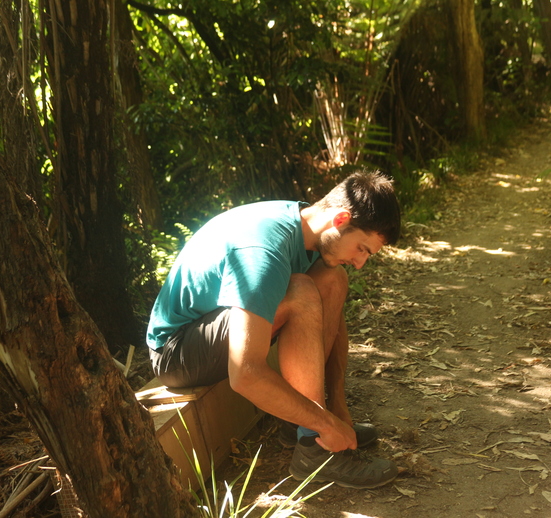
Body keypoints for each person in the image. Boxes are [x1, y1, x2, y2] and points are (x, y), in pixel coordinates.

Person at [146, 171, 401, 489]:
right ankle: (312, 446)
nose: (361, 261)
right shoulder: (264, 251)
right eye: (362, 248)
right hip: (176, 351)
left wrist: (337, 407)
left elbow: (328, 318)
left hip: (215, 325)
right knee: (301, 292)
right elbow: (245, 373)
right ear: (340, 219)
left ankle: (298, 422)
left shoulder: (306, 228)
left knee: (332, 280)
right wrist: (324, 424)